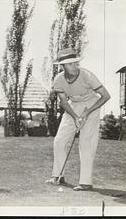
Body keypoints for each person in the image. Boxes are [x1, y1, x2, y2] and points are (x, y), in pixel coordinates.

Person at [45, 48, 111, 191]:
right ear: (62, 66)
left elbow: (105, 96)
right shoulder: (58, 80)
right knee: (60, 140)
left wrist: (88, 111)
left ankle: (85, 183)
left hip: (92, 104)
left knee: (86, 142)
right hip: (72, 106)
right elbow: (63, 102)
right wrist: (75, 117)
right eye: (70, 64)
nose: (75, 66)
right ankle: (58, 175)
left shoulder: (87, 75)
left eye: (76, 63)